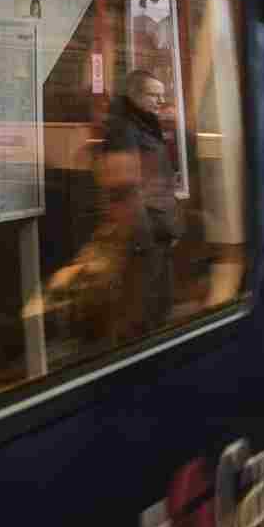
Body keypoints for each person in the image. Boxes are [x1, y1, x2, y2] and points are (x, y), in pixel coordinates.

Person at [96, 69, 182, 336]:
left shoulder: (145, 126)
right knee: (144, 316)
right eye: (153, 95)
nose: (159, 101)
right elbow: (127, 190)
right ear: (134, 96)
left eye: (161, 96)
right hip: (146, 240)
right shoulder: (124, 131)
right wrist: (142, 241)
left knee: (159, 309)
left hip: (158, 233)